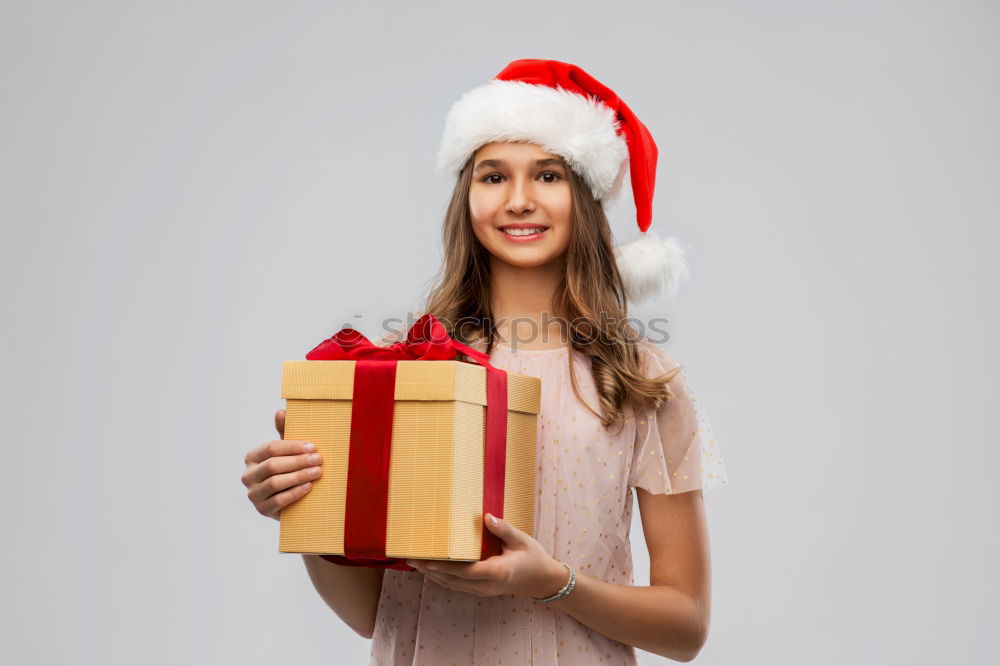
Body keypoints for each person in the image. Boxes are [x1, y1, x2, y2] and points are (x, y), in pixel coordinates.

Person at [242, 58, 728, 665]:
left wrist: (552, 582)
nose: (519, 201)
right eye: (493, 176)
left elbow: (685, 627)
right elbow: (372, 614)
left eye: (547, 175)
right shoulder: (408, 370)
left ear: (584, 196)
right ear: (467, 198)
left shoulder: (639, 379)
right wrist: (308, 505)